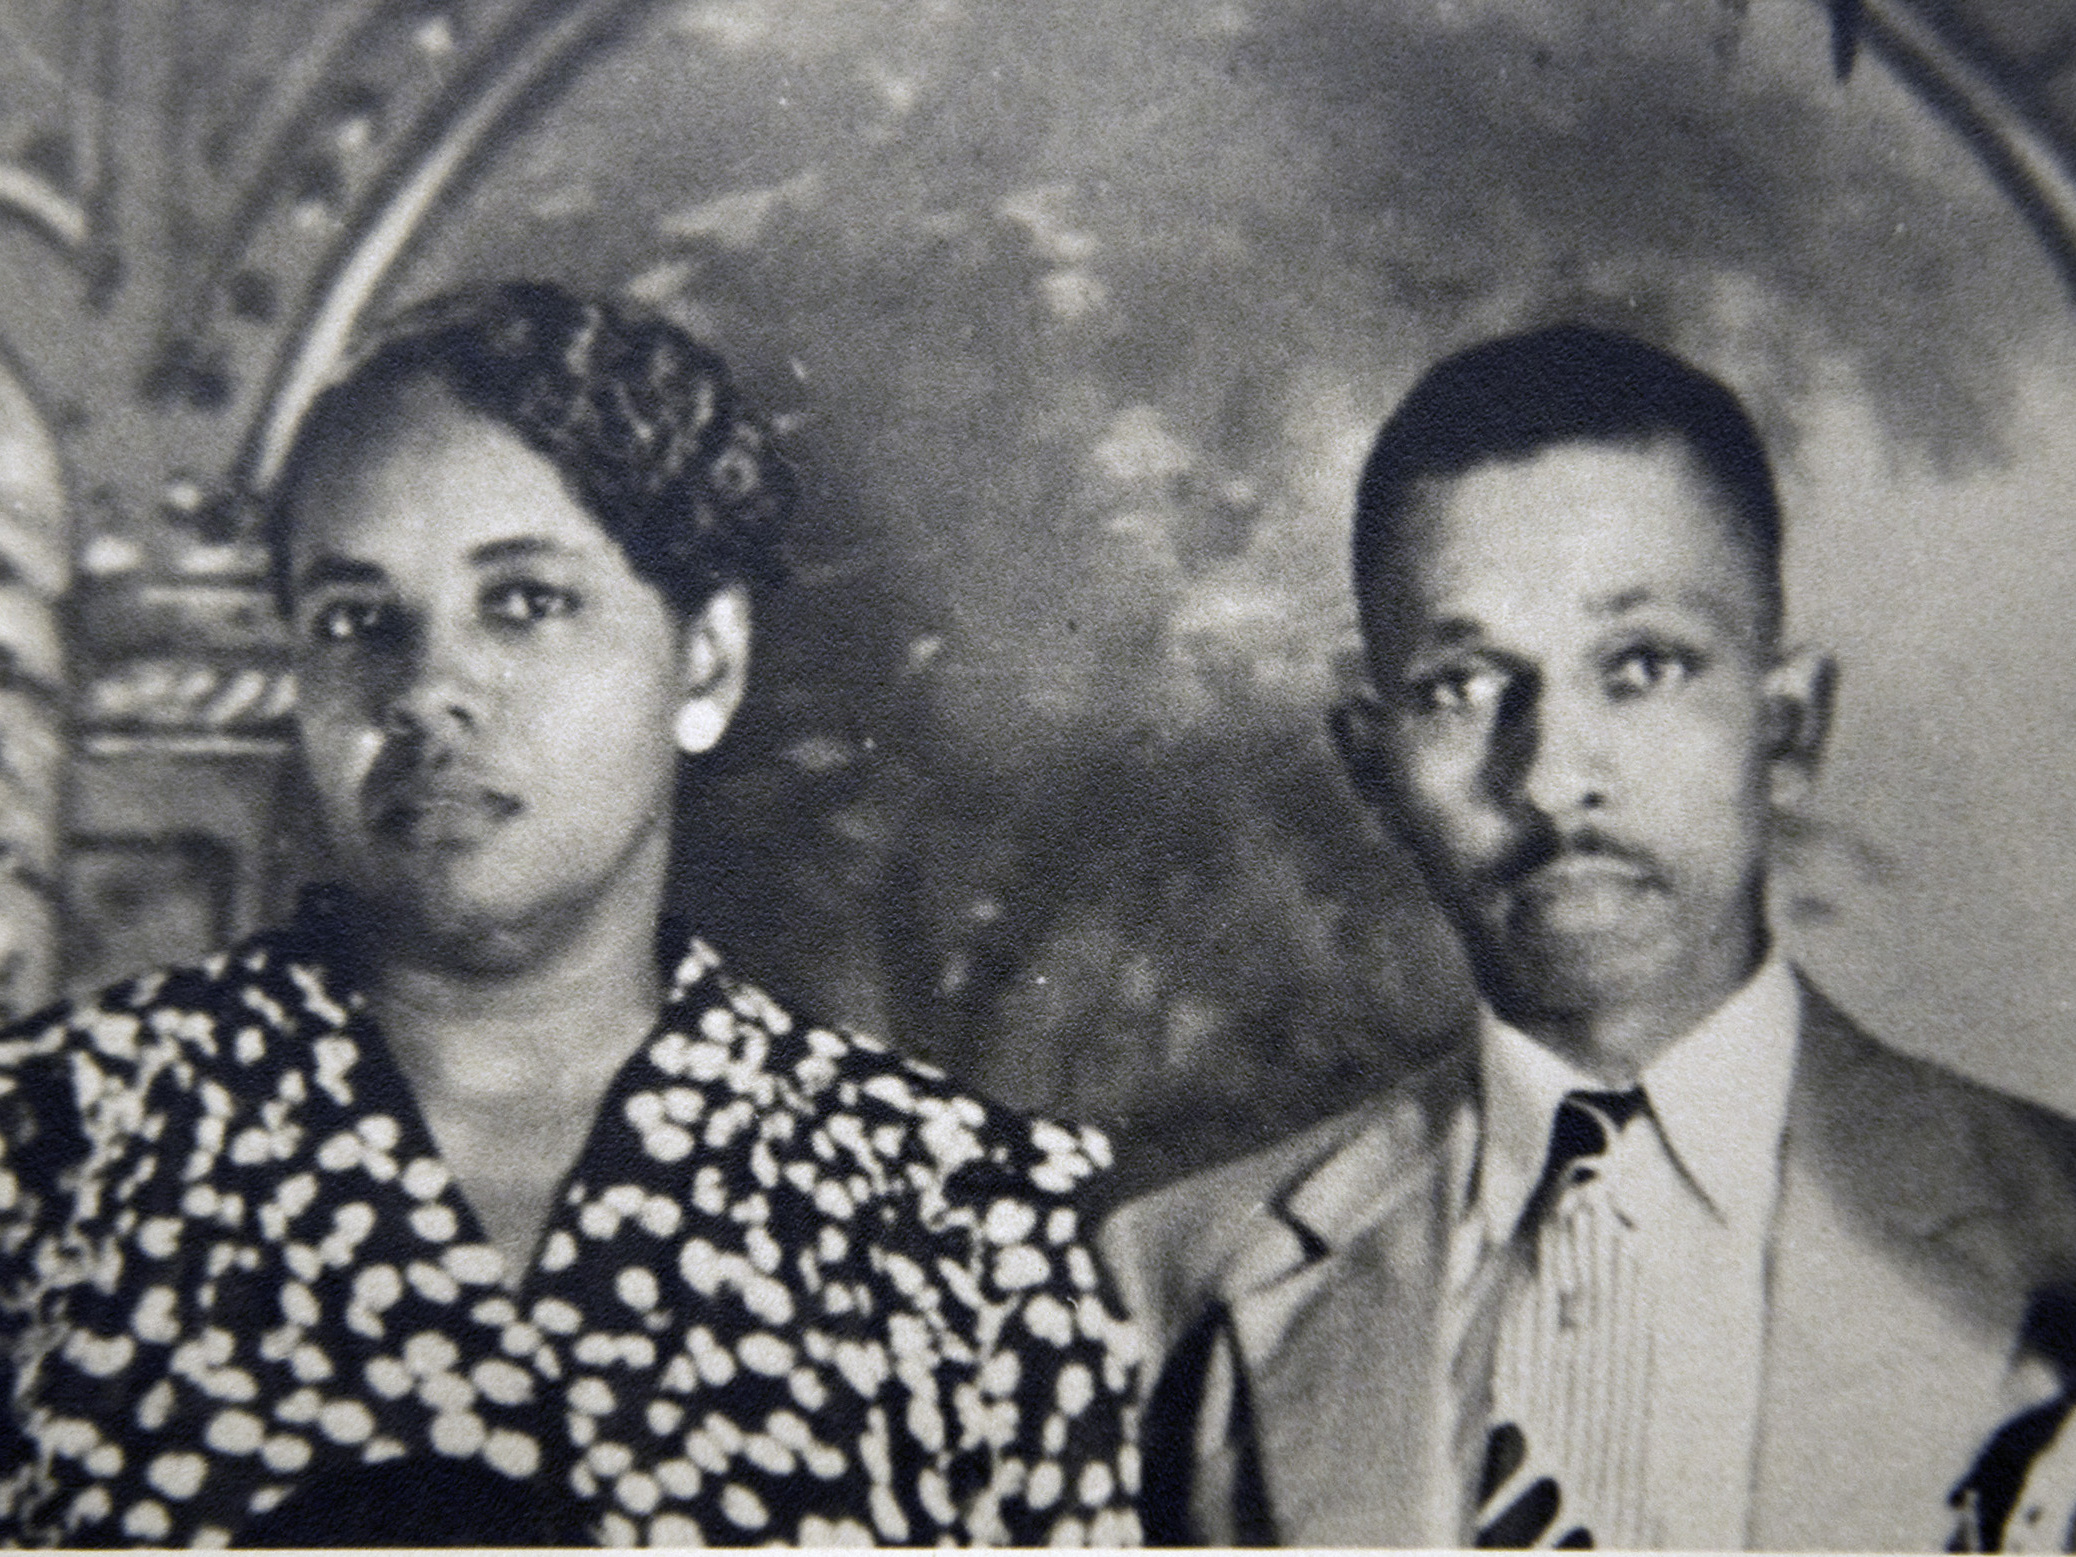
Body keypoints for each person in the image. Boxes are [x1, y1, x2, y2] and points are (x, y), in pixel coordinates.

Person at [0, 282, 1140, 1547]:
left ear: (706, 661)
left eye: (526, 602)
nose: (427, 690)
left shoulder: (964, 1222)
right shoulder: (54, 1147)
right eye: (355, 620)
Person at [1101, 324, 2076, 1550]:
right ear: (1371, 767)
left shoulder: (2052, 1229)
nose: (1554, 779)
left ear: (1788, 725)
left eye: (1644, 665)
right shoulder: (1173, 1286)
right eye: (1462, 687)